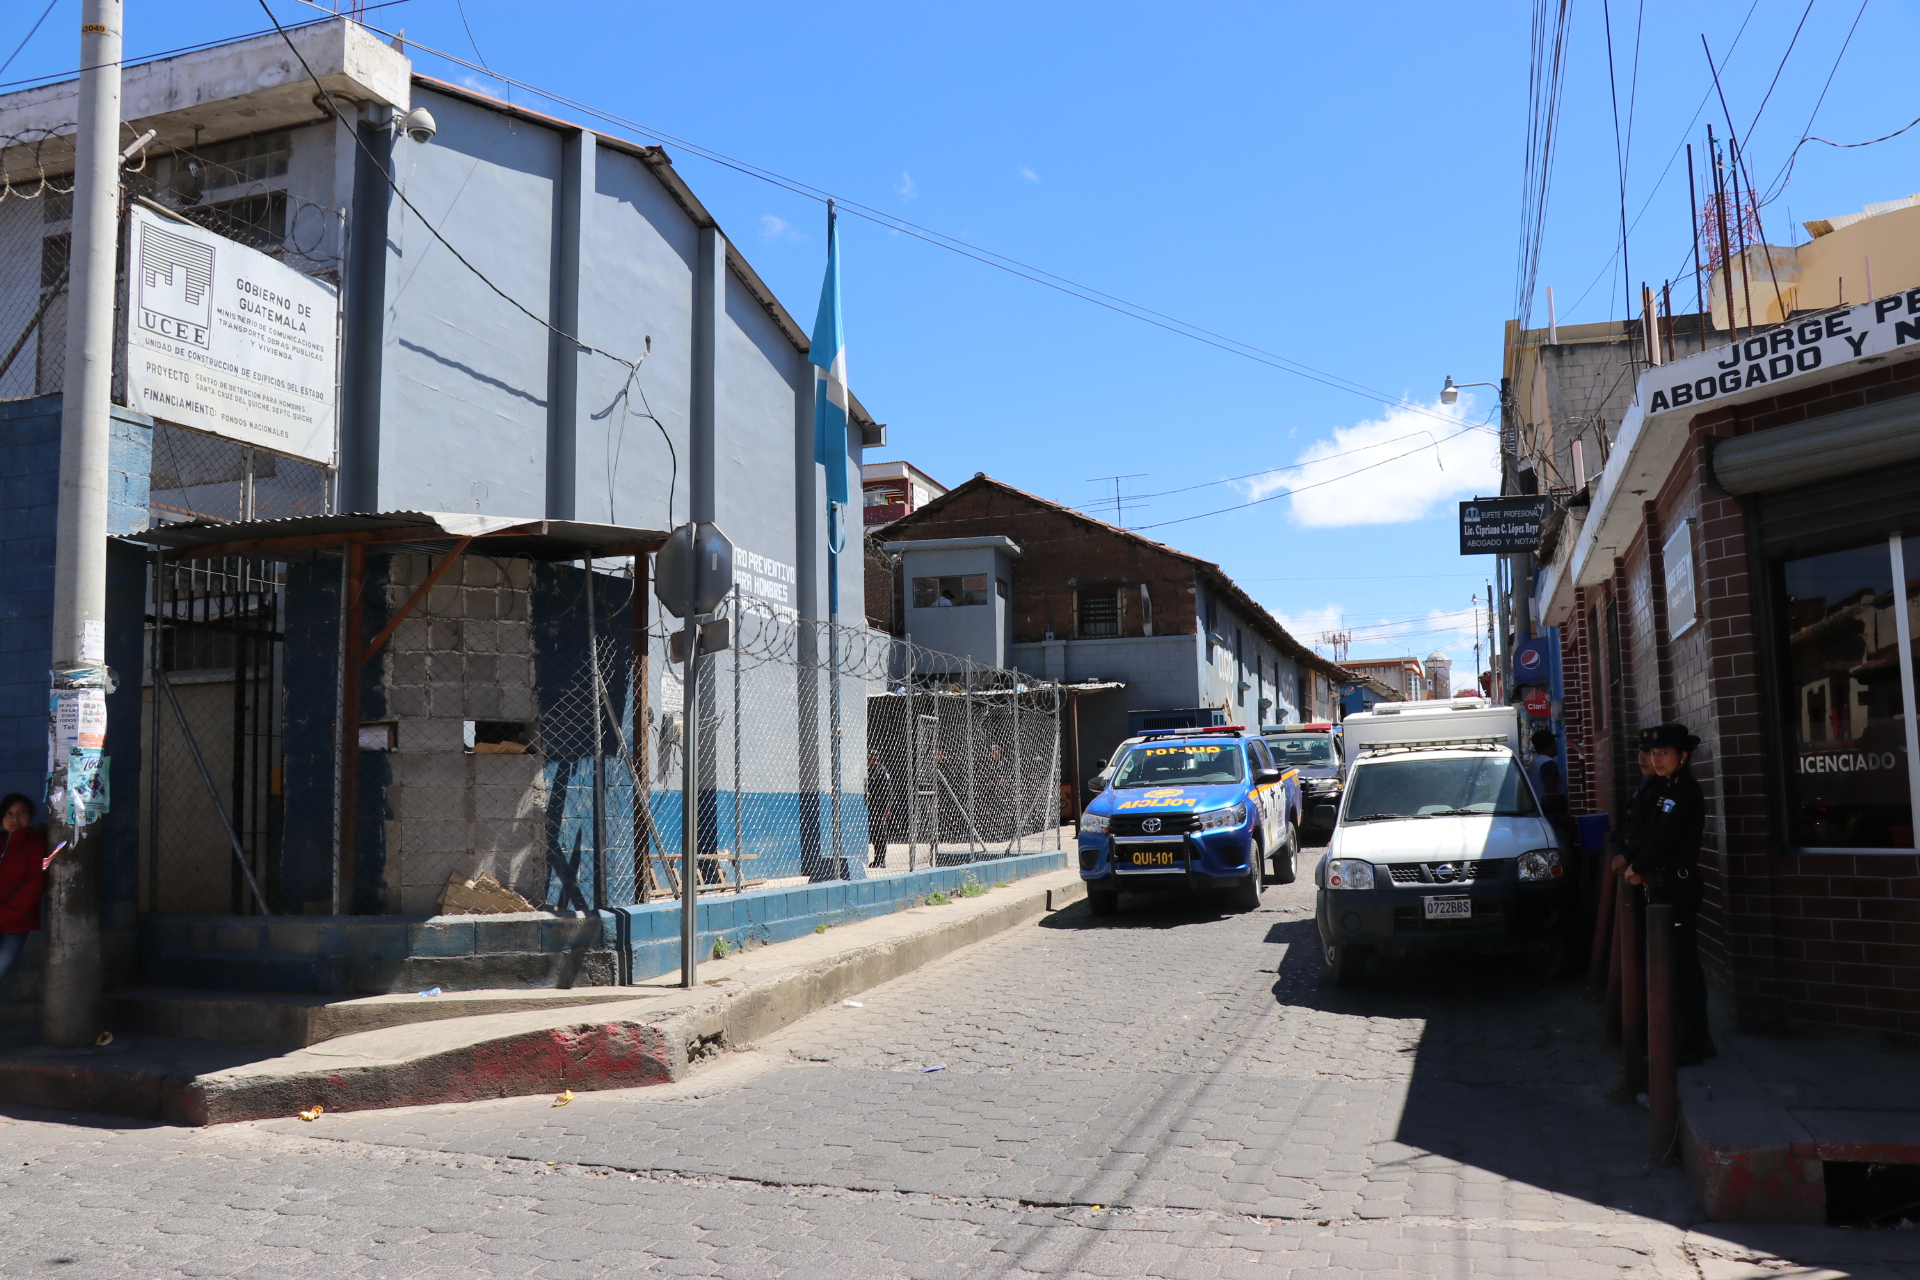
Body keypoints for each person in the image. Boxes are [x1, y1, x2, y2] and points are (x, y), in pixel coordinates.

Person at [1621, 723, 1714, 1064]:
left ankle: (1693, 1042)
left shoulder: (1683, 790)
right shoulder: (1666, 788)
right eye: (1653, 753)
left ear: (1683, 756)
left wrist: (1637, 864)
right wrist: (1634, 860)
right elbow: (1651, 833)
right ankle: (1685, 1037)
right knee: (1670, 966)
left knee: (1682, 967)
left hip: (1679, 886)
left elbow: (1666, 838)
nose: (1656, 759)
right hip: (1664, 885)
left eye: (1664, 753)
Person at [0, 794, 48, 986]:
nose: (14, 819)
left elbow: (34, 885)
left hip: (16, 924)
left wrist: (4, 914)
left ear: (30, 815)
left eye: (21, 813)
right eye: (8, 813)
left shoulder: (36, 844)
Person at [867, 752, 897, 869]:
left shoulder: (882, 770)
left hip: (881, 806)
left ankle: (881, 860)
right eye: (870, 757)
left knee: (881, 833)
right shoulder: (865, 770)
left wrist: (888, 807)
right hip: (870, 805)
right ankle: (876, 859)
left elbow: (889, 790)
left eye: (874, 758)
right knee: (874, 833)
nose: (872, 760)